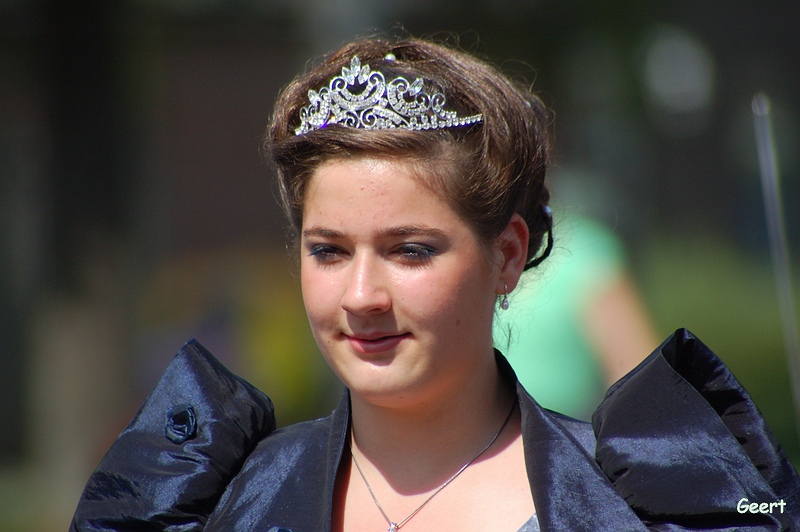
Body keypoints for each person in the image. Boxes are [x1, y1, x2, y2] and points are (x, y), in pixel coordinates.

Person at [72, 37, 799, 531]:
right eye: (328, 251)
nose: (361, 296)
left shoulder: (646, 502)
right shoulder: (216, 499)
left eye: (410, 251)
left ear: (508, 256)